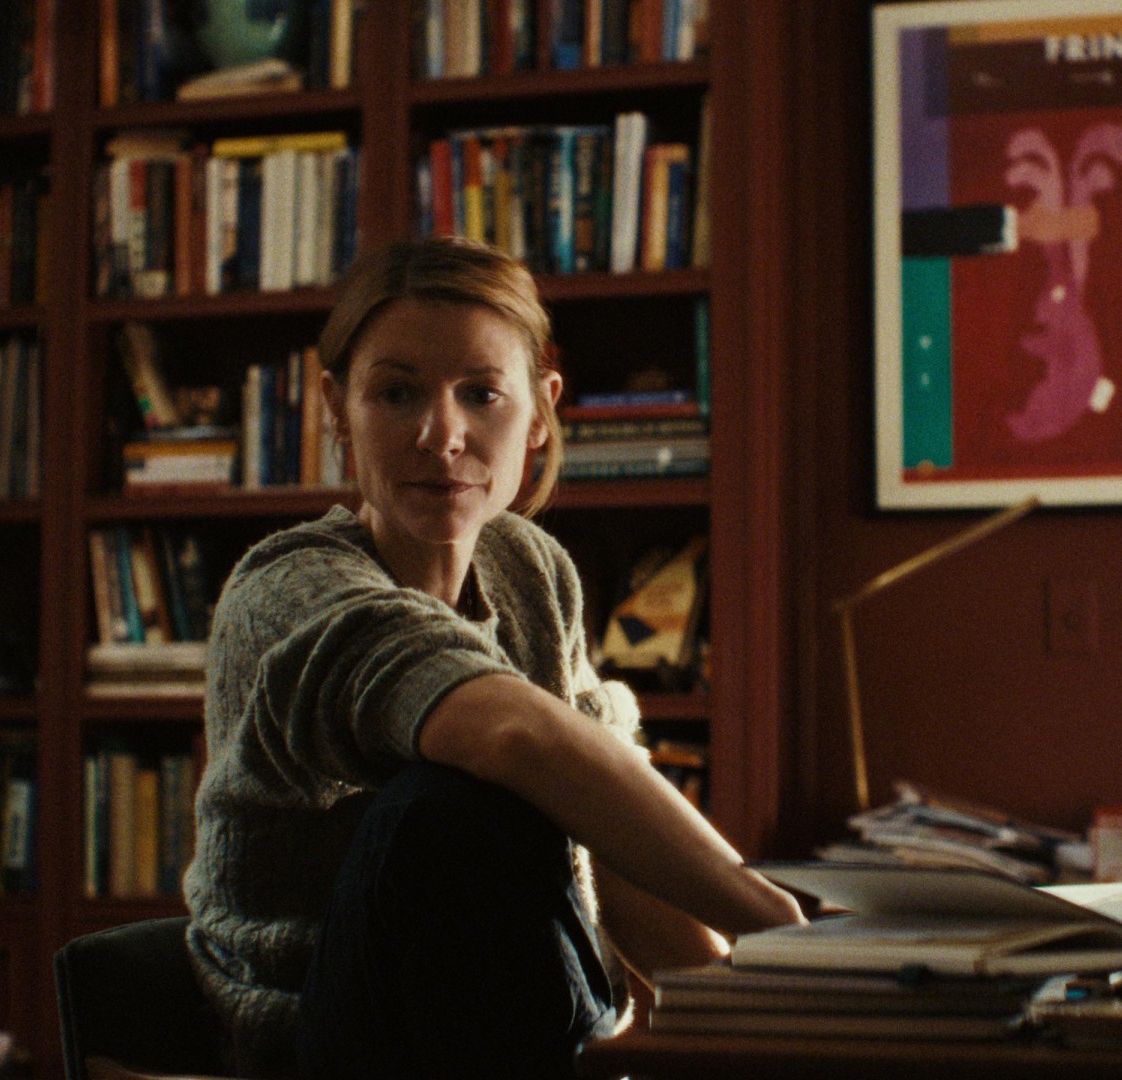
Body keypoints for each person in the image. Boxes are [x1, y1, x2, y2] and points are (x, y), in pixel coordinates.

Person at [182, 236, 804, 1079]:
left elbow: (616, 854)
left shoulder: (530, 568)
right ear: (336, 407)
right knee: (451, 802)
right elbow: (512, 735)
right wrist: (787, 928)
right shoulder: (287, 587)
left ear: (542, 410)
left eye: (482, 394)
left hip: (537, 1031)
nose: (442, 435)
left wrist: (780, 1008)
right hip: (325, 1046)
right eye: (396, 393)